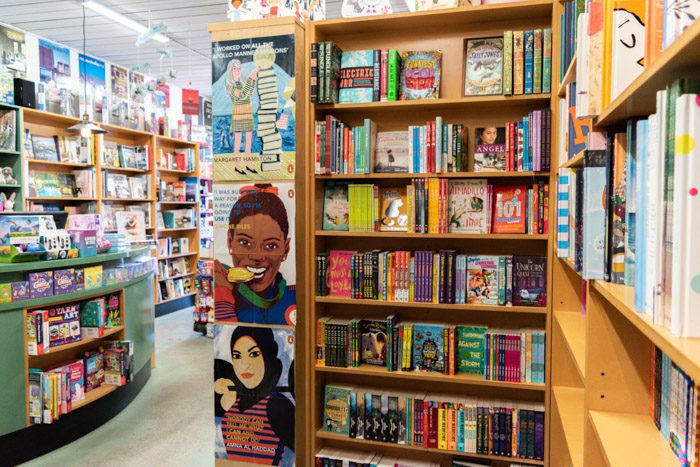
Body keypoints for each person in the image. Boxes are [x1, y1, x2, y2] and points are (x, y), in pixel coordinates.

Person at [214, 184, 296, 325]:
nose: (257, 256)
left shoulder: (296, 296)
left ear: (286, 249)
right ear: (229, 241)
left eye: (271, 245)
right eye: (245, 243)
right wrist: (222, 292)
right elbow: (224, 342)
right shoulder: (220, 291)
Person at [215, 326, 294, 465]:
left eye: (254, 354)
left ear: (267, 354)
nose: (245, 365)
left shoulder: (276, 404)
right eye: (237, 356)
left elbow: (298, 446)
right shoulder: (234, 400)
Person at [226, 59, 258, 175]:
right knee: (237, 142)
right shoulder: (229, 85)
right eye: (234, 68)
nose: (237, 70)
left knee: (249, 141)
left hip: (247, 113)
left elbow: (248, 94)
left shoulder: (243, 81)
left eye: (239, 68)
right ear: (230, 70)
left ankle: (248, 164)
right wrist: (251, 79)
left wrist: (252, 81)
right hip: (238, 115)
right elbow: (242, 96)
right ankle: (237, 165)